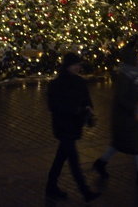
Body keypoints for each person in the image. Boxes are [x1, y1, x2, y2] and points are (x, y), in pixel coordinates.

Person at [93, 47, 138, 187]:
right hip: (125, 116)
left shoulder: (133, 73)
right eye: (136, 56)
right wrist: (135, 108)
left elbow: (137, 91)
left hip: (131, 116)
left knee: (121, 143)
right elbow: (121, 98)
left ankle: (101, 163)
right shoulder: (125, 76)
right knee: (135, 145)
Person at [45, 52, 100, 202]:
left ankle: (51, 187)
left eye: (79, 65)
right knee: (74, 161)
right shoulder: (57, 84)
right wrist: (76, 110)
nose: (78, 67)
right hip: (64, 126)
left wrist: (89, 112)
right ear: (68, 66)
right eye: (76, 65)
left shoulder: (79, 82)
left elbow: (86, 101)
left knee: (61, 157)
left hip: (75, 125)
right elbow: (54, 106)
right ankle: (85, 191)